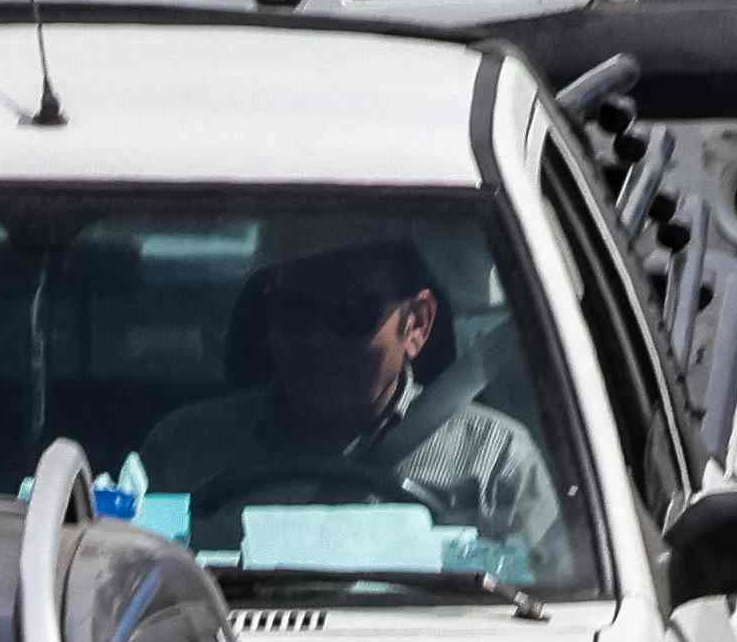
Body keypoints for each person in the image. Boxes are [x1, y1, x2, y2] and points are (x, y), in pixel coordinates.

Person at [119, 235, 573, 573]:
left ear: (417, 324)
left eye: (351, 312)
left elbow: (554, 609)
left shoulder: (494, 460)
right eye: (294, 310)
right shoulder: (184, 452)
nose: (317, 339)